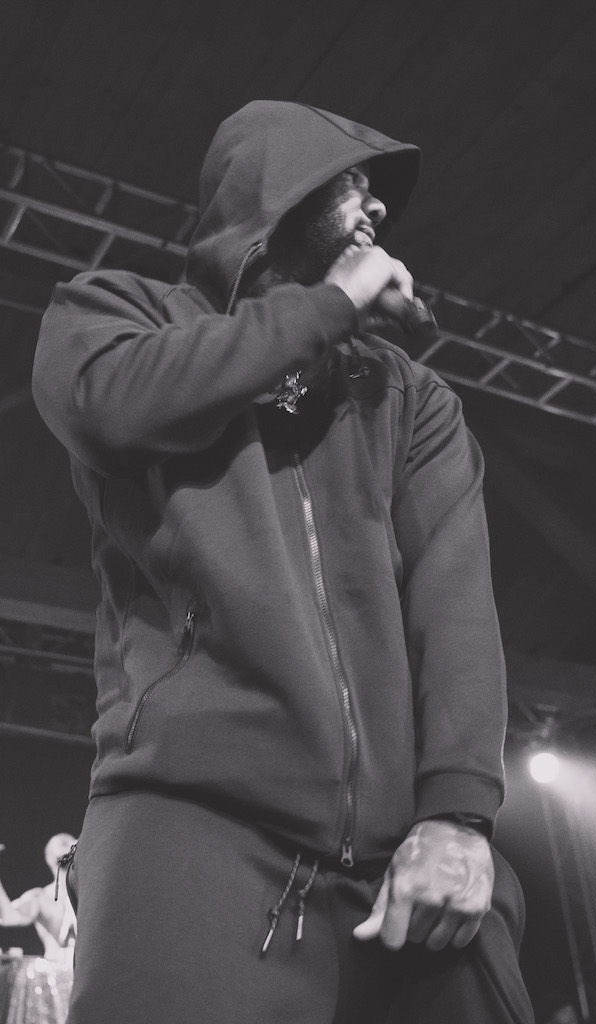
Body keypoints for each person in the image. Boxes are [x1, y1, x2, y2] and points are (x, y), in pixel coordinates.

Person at [31, 100, 534, 1024]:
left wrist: (458, 815)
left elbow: (455, 606)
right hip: (188, 818)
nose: (377, 209)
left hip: (399, 855)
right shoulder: (118, 315)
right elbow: (107, 408)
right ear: (274, 190)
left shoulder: (406, 394)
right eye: (351, 185)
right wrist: (329, 305)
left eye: (380, 196)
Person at [0, 833, 77, 965]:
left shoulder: (89, 895)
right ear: (49, 858)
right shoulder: (40, 898)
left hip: (86, 971)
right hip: (54, 971)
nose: (67, 847)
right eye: (62, 844)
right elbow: (8, 917)